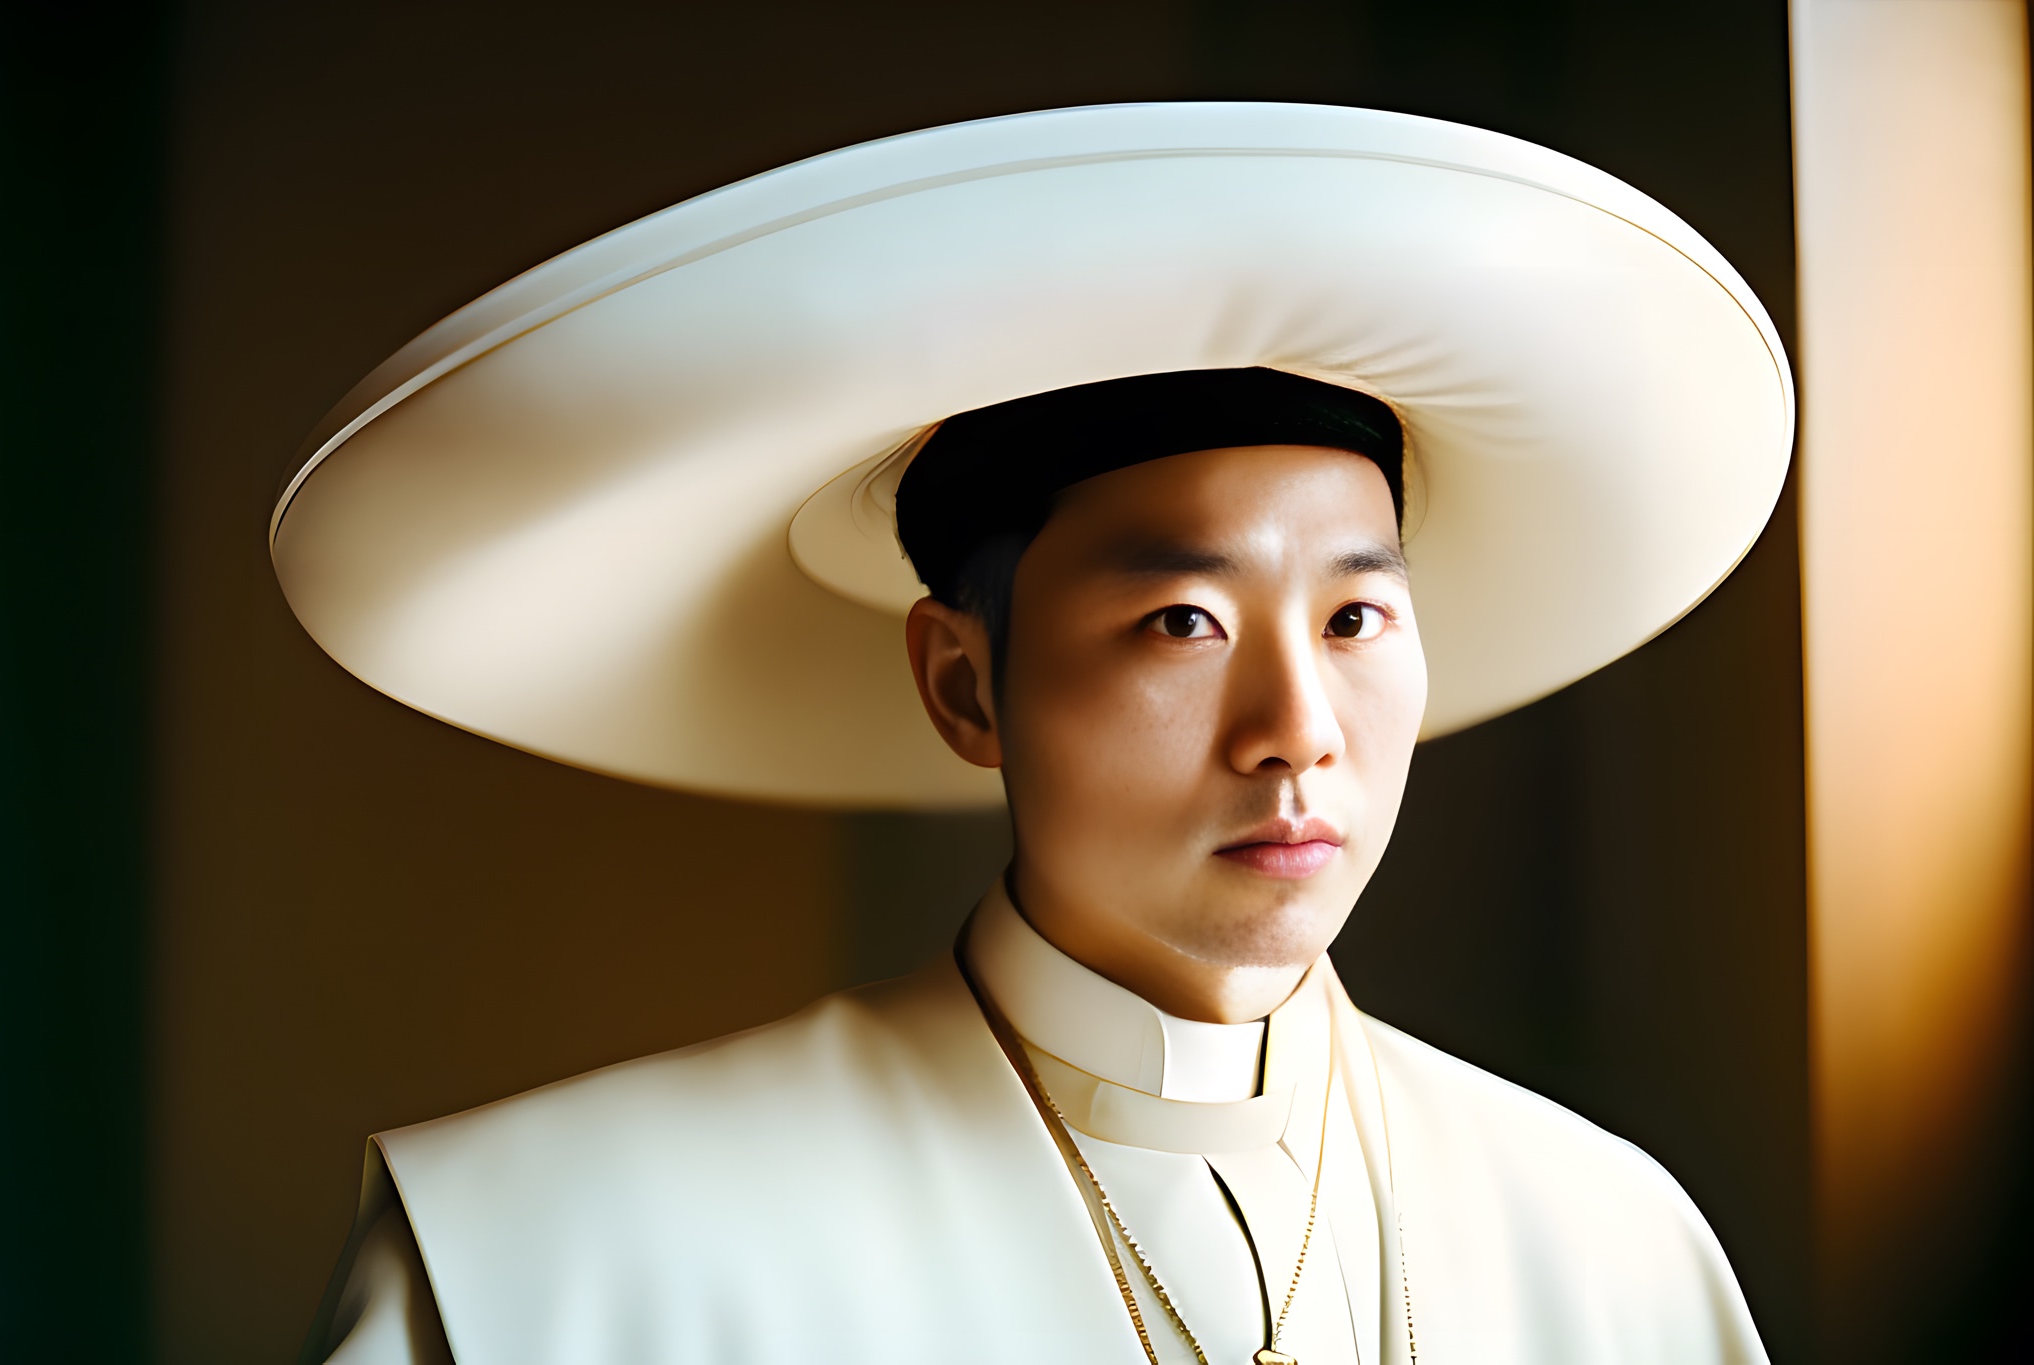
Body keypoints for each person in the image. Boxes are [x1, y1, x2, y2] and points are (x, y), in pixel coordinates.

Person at [281, 104, 1790, 1365]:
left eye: (1353, 620)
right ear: (965, 686)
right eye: (1183, 621)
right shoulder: (554, 1258)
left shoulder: (1610, 1246)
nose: (1296, 732)